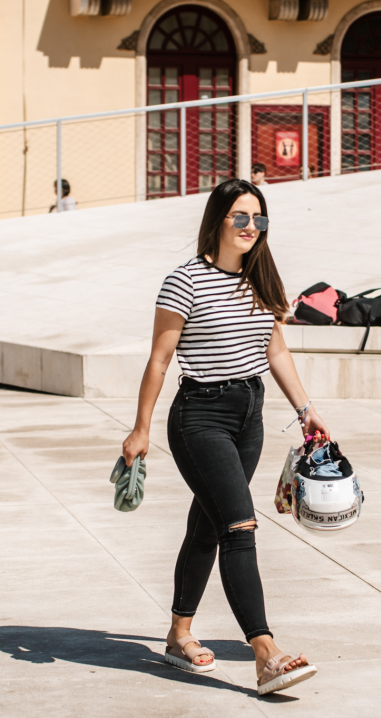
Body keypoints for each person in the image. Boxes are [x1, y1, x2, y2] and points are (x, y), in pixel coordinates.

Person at [121, 178, 324, 696]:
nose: (251, 227)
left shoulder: (260, 279)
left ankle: (178, 634)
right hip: (200, 418)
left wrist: (305, 410)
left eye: (259, 219)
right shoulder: (184, 281)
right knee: (239, 525)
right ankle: (266, 654)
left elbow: (276, 350)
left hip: (249, 418)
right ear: (217, 220)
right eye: (240, 217)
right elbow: (159, 360)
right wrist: (141, 428)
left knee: (208, 526)